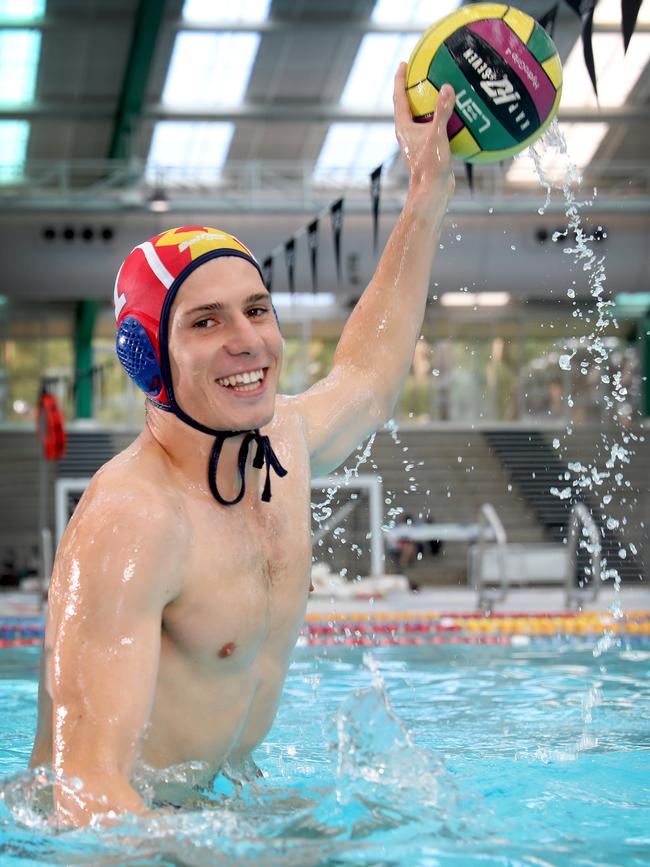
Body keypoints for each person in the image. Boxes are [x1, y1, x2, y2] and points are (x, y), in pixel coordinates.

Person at [29, 65, 456, 826]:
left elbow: (368, 371)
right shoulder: (136, 519)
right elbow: (85, 793)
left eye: (257, 309)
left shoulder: (282, 440)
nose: (248, 341)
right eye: (206, 321)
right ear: (145, 356)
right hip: (121, 829)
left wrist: (424, 195)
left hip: (221, 798)